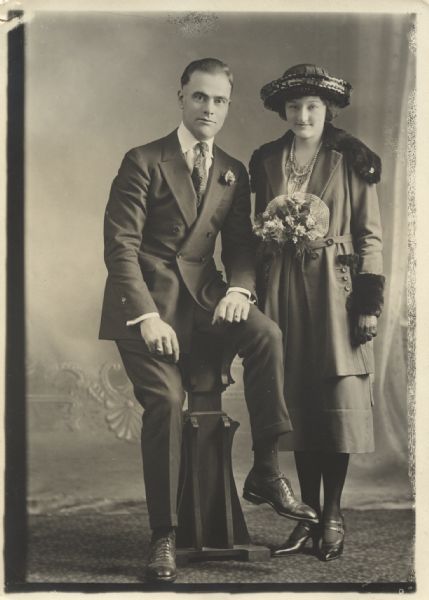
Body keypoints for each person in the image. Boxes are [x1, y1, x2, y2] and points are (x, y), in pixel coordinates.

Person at [99, 58, 317, 583]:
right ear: (181, 97)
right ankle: (164, 535)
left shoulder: (232, 170)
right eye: (200, 97)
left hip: (206, 299)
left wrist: (240, 288)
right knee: (168, 403)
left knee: (266, 332)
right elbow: (120, 248)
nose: (210, 110)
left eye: (219, 101)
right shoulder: (143, 160)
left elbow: (240, 246)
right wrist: (148, 316)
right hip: (144, 307)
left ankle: (266, 470)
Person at [250, 64, 385, 561]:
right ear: (282, 112)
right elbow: (258, 227)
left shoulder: (352, 158)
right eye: (293, 107)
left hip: (336, 287)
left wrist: (367, 302)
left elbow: (370, 235)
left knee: (334, 398)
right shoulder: (266, 160)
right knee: (298, 401)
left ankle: (333, 512)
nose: (302, 115)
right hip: (282, 288)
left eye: (311, 106)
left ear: (327, 109)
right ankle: (306, 516)